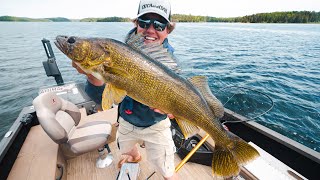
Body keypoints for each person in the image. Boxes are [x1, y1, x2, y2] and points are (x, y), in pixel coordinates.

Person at [72, 0, 179, 179]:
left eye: (159, 24)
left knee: (168, 172)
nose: (150, 30)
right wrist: (92, 76)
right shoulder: (116, 52)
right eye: (144, 22)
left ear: (168, 29)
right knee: (127, 150)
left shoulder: (171, 65)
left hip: (156, 125)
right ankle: (135, 156)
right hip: (127, 120)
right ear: (136, 24)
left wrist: (174, 111)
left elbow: (178, 100)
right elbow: (102, 98)